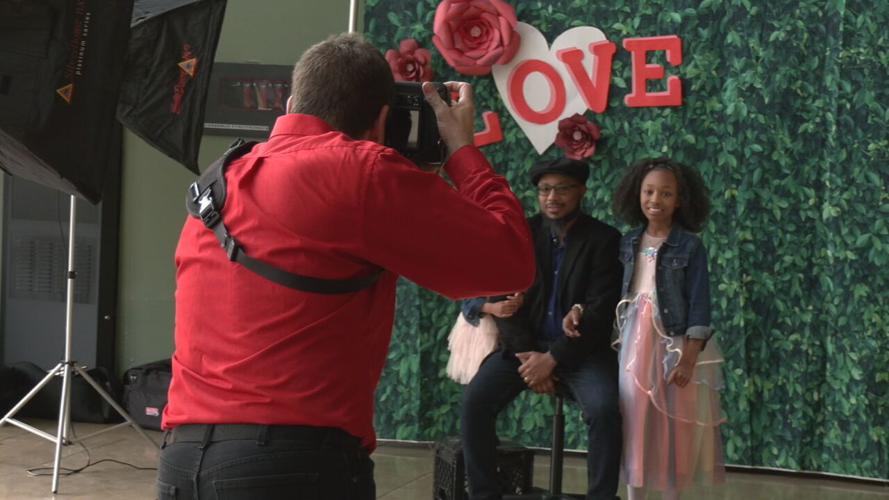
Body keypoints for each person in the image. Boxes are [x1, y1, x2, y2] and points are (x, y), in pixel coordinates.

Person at [157, 33, 536, 500]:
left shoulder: (223, 178)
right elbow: (512, 263)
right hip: (292, 466)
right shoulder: (364, 173)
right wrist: (460, 148)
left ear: (292, 103)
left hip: (182, 462)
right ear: (381, 120)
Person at [461, 158, 624, 500]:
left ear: (582, 191)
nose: (552, 197)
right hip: (523, 348)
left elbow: (600, 309)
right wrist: (529, 358)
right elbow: (503, 296)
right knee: (474, 402)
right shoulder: (522, 233)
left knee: (605, 410)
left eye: (562, 189)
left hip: (579, 351)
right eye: (545, 189)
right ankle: (485, 495)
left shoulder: (604, 239)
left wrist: (552, 359)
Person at [611, 158, 725, 500]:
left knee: (673, 419)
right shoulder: (628, 241)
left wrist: (689, 357)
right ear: (637, 194)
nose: (655, 199)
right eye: (648, 191)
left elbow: (700, 303)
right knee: (632, 413)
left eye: (666, 193)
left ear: (680, 200)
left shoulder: (690, 246)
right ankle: (634, 493)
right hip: (634, 340)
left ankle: (670, 494)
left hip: (673, 343)